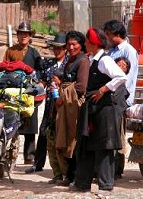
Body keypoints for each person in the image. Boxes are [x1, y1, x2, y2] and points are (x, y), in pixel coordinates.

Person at [70, 27, 127, 197]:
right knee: (86, 145)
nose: (85, 44)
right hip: (92, 110)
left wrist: (103, 89)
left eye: (87, 41)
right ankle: (82, 183)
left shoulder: (105, 60)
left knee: (104, 147)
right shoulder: (91, 59)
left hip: (105, 110)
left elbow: (121, 77)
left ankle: (106, 186)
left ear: (94, 43)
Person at [25, 33, 69, 181]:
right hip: (50, 104)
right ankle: (38, 163)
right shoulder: (48, 64)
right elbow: (43, 81)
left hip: (64, 105)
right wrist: (37, 88)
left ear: (65, 49)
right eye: (54, 48)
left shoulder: (69, 63)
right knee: (44, 131)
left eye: (59, 48)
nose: (56, 51)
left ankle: (64, 168)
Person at [3, 21, 43, 164]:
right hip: (13, 88)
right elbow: (4, 68)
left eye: (26, 34)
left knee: (30, 120)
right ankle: (7, 152)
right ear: (18, 35)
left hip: (28, 89)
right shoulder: (10, 51)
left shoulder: (34, 52)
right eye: (21, 34)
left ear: (30, 36)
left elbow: (40, 70)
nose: (23, 36)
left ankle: (29, 155)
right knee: (11, 117)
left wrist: (38, 82)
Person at [103, 19, 139, 178]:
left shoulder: (128, 51)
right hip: (109, 98)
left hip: (120, 99)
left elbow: (129, 79)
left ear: (116, 34)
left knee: (118, 134)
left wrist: (125, 101)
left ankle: (117, 169)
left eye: (108, 34)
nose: (107, 37)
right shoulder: (111, 50)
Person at [55, 31, 90, 186]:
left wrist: (63, 96)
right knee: (66, 137)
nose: (70, 47)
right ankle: (68, 175)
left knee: (74, 139)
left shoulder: (83, 61)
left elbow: (82, 86)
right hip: (66, 105)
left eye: (74, 44)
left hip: (74, 106)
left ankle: (76, 177)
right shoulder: (70, 60)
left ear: (81, 45)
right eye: (68, 44)